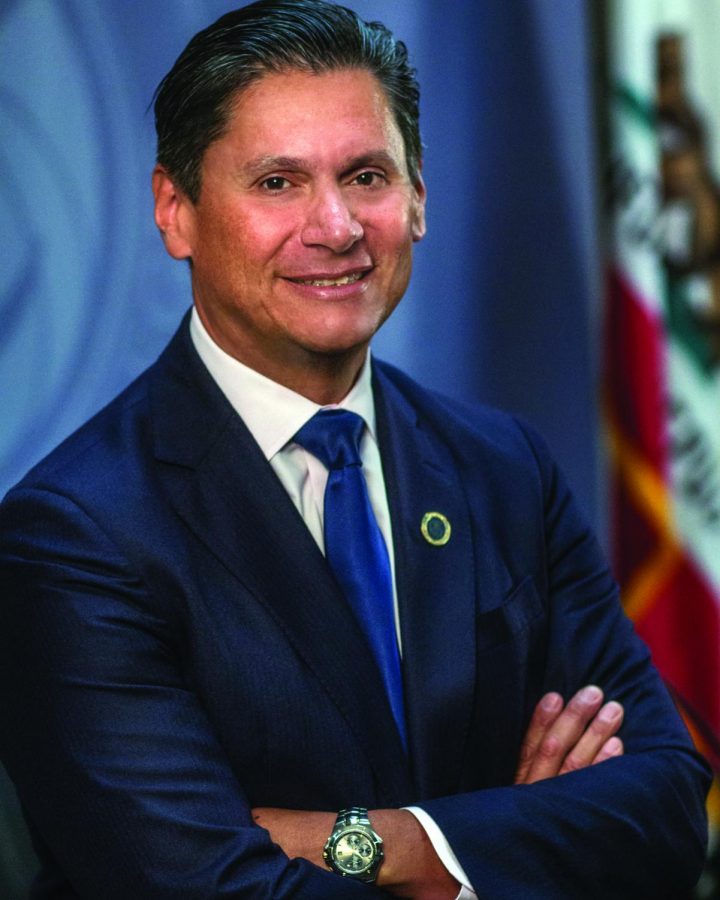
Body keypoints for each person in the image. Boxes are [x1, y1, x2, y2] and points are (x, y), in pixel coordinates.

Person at [0, 2, 710, 897]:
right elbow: (207, 887)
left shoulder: (504, 470)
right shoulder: (74, 534)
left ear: (418, 199)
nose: (335, 226)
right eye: (277, 183)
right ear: (175, 211)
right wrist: (516, 838)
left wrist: (397, 845)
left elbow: (671, 809)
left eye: (366, 174)